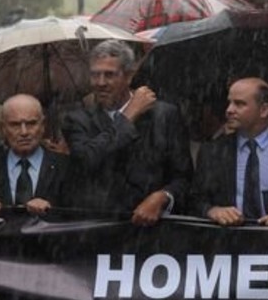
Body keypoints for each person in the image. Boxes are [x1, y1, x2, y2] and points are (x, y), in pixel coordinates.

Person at [62, 40, 192, 225]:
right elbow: (88, 160)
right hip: (99, 230)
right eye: (95, 75)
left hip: (155, 232)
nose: (100, 83)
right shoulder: (76, 120)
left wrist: (163, 196)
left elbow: (183, 178)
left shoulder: (164, 115)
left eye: (109, 75)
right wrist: (128, 115)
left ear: (129, 76)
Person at [190, 78, 268, 226]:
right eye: (229, 102)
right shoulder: (212, 151)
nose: (229, 110)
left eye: (239, 104)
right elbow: (194, 200)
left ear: (264, 110)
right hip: (227, 242)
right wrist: (212, 210)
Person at [0, 94, 71, 216]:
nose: (24, 132)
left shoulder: (67, 168)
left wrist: (51, 211)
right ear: (3, 128)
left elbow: (78, 218)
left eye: (31, 123)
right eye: (15, 125)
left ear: (43, 126)